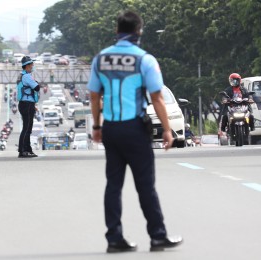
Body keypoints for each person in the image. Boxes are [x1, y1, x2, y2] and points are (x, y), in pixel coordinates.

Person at [88, 11, 183, 252]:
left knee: (113, 185)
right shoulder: (144, 59)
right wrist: (168, 130)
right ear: (139, 31)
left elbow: (94, 95)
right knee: (145, 185)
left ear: (116, 31)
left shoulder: (100, 59)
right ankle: (158, 235)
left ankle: (113, 238)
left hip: (111, 128)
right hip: (135, 129)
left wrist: (97, 126)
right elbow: (157, 98)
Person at [17, 56, 40, 158]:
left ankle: (27, 149)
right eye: (31, 64)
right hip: (26, 104)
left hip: (27, 104)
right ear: (26, 66)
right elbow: (37, 87)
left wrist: (33, 105)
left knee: (27, 128)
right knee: (26, 128)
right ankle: (23, 150)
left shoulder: (23, 75)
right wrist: (37, 83)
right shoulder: (26, 76)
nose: (32, 66)